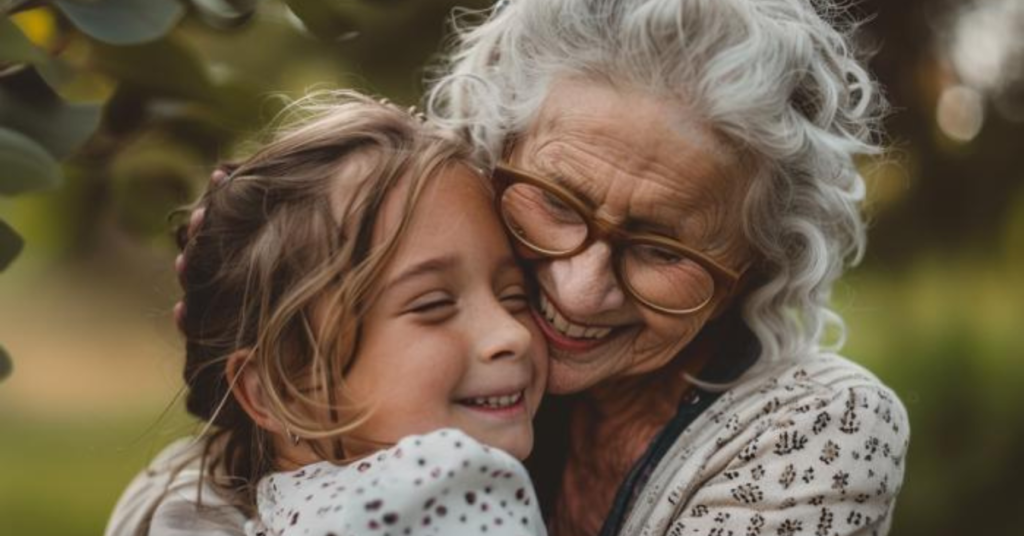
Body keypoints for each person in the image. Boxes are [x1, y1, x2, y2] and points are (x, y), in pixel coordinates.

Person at [113, 1, 910, 535]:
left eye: (663, 249)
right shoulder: (419, 344)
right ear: (493, 158)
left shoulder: (815, 430)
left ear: (754, 265)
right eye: (558, 204)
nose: (576, 290)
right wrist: (255, 346)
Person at [105, 92, 549, 536]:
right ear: (280, 388)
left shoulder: (185, 505)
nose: (512, 333)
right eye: (433, 305)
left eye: (515, 295)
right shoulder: (454, 495)